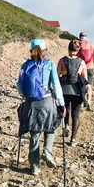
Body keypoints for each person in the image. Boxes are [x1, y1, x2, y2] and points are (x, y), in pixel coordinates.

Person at [17, 39, 65, 176]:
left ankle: (34, 166)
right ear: (44, 50)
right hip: (47, 101)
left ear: (31, 50)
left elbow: (19, 86)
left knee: (34, 133)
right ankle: (47, 152)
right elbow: (56, 85)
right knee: (51, 127)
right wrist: (61, 104)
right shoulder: (49, 64)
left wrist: (25, 95)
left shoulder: (25, 65)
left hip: (31, 103)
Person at [57, 40, 88, 147]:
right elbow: (85, 79)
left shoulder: (62, 61)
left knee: (65, 108)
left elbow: (57, 77)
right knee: (75, 114)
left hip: (64, 89)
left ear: (68, 49)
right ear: (78, 50)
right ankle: (73, 139)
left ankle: (66, 125)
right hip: (77, 91)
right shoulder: (82, 62)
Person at [77, 32, 94, 110]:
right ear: (86, 36)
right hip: (90, 67)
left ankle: (82, 101)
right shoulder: (91, 44)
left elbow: (77, 56)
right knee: (89, 85)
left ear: (80, 36)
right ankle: (88, 101)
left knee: (82, 84)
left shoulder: (79, 44)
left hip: (82, 68)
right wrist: (91, 63)